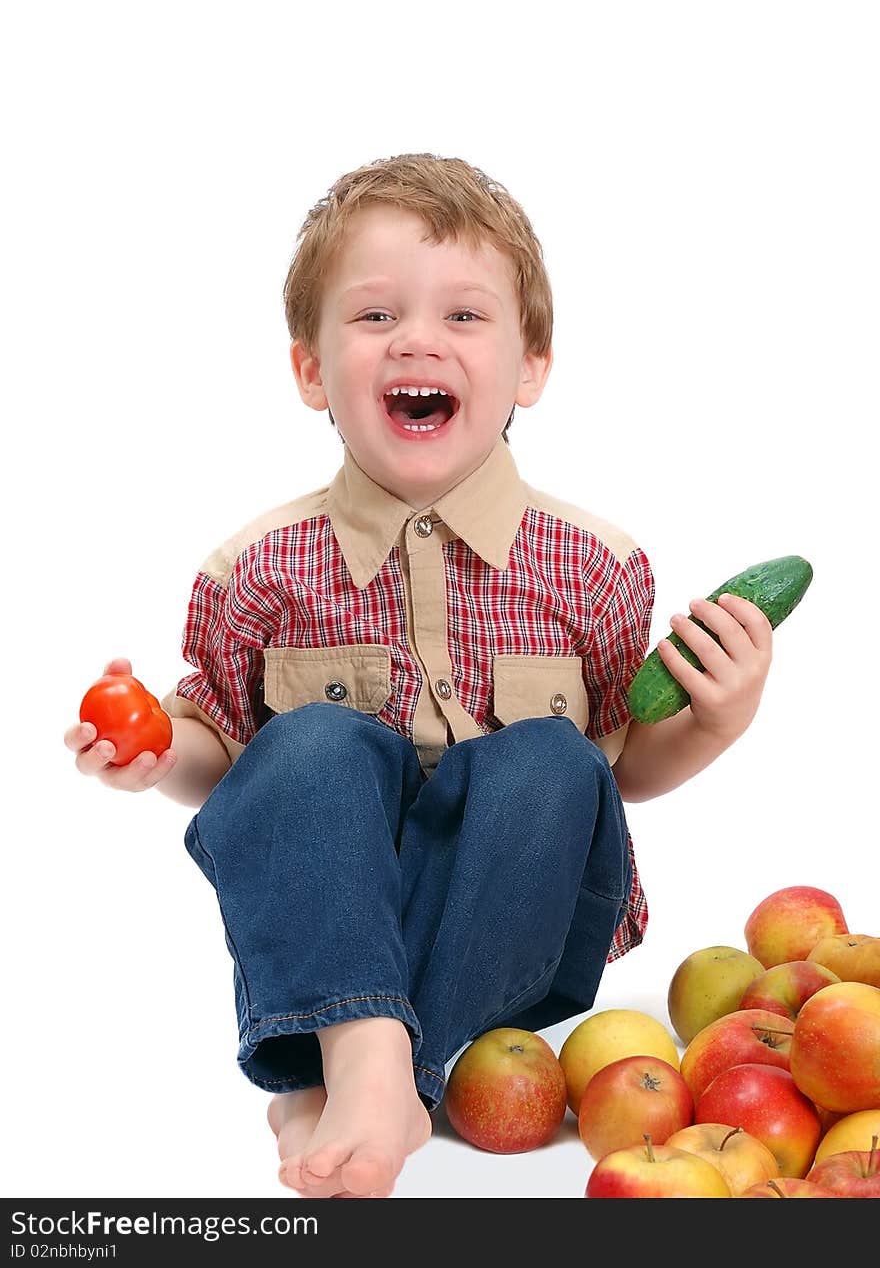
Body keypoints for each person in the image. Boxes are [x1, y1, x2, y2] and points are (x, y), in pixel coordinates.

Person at [65, 153, 774, 1199]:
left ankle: (359, 1066)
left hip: (515, 926)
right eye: (375, 315)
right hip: (332, 911)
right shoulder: (254, 569)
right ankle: (369, 1055)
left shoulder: (598, 567)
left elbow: (612, 773)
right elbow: (235, 763)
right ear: (310, 370)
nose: (417, 339)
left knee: (550, 761)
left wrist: (715, 721)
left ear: (531, 366)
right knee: (307, 745)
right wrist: (162, 751)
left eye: (464, 316)